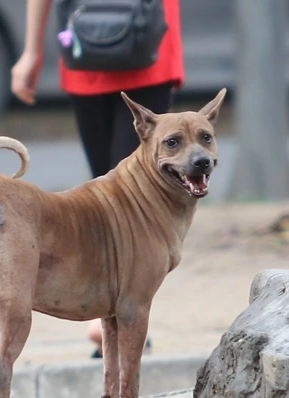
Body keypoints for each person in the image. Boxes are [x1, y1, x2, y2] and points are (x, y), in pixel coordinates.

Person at [11, 0, 185, 357]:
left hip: (88, 43)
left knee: (116, 193)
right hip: (137, 45)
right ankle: (118, 315)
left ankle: (112, 316)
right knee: (126, 198)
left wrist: (31, 50)